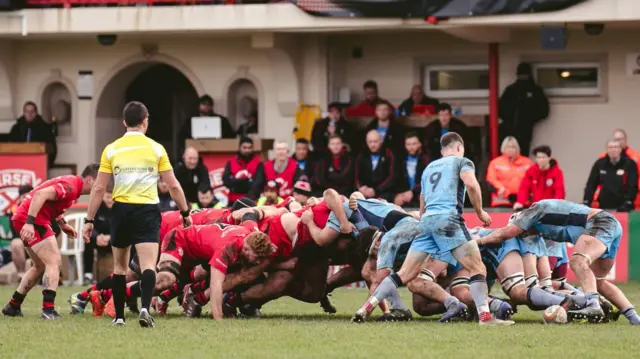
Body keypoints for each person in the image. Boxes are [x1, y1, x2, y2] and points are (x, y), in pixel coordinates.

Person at [352, 132, 514, 326]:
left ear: (442, 150)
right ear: (459, 147)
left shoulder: (429, 167)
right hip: (448, 220)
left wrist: (423, 219)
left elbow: (422, 197)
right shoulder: (461, 161)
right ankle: (485, 318)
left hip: (426, 221)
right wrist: (479, 211)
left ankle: (367, 307)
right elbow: (471, 183)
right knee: (477, 267)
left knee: (404, 274)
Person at [82, 101, 192, 328]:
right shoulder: (156, 148)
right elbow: (173, 185)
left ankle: (119, 317)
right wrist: (185, 212)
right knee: (149, 265)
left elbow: (99, 188)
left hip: (121, 210)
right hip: (147, 210)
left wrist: (89, 220)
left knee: (119, 268)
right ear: (145, 121)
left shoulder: (111, 149)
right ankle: (144, 308)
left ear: (124, 123)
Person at [477, 199, 640, 325]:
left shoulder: (533, 212)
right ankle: (634, 318)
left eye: (522, 231)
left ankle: (593, 305)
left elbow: (505, 233)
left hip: (600, 222)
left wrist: (480, 241)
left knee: (577, 261)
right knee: (599, 282)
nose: (523, 234)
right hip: (609, 224)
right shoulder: (543, 227)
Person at [2, 164, 99, 319]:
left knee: (38, 266)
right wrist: (30, 223)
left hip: (29, 219)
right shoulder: (71, 186)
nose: (101, 188)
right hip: (33, 221)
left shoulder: (73, 186)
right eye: (99, 183)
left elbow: (52, 203)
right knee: (54, 262)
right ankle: (48, 310)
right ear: (89, 180)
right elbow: (40, 195)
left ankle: (13, 305)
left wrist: (62, 224)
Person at [499, 62, 549, 156]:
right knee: (508, 156)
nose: (523, 77)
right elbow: (500, 109)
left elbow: (544, 111)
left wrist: (529, 119)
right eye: (521, 74)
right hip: (509, 131)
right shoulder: (511, 90)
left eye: (524, 74)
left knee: (523, 156)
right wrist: (509, 119)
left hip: (525, 131)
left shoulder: (535, 90)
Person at [585, 139, 639, 211]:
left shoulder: (629, 163)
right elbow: (591, 184)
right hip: (604, 205)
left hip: (623, 207)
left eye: (616, 147)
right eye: (610, 147)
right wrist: (587, 200)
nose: (613, 150)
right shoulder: (600, 163)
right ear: (607, 149)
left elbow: (632, 185)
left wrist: (629, 201)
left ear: (620, 149)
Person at [486, 136, 533, 207]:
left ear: (517, 148)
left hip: (523, 202)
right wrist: (503, 190)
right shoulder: (495, 163)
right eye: (508, 147)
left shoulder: (527, 162)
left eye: (513, 147)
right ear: (503, 148)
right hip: (502, 202)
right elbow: (491, 180)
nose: (510, 149)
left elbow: (533, 179)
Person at [514, 145, 565, 210]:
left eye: (543, 157)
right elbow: (524, 188)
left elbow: (559, 190)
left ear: (549, 158)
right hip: (535, 207)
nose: (541, 160)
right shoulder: (531, 171)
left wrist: (556, 205)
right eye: (538, 157)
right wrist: (520, 202)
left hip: (551, 208)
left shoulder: (557, 172)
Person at [8, 101, 57, 167]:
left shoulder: (45, 128)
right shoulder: (16, 129)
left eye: (32, 111)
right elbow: (10, 146)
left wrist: (47, 165)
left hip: (39, 165)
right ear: (24, 113)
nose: (29, 114)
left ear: (36, 113)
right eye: (27, 111)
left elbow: (52, 148)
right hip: (19, 165)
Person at [355, 130, 398, 202]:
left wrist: (376, 190)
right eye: (370, 142)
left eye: (375, 142)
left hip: (384, 192)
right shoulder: (362, 155)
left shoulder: (389, 154)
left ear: (381, 141)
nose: (373, 145)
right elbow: (356, 176)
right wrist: (361, 188)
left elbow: (392, 177)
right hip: (365, 193)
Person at [222, 137, 265, 205]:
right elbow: (226, 181)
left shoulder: (258, 164)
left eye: (249, 148)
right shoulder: (231, 162)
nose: (247, 150)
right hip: (233, 202)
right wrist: (247, 182)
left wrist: (235, 184)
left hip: (251, 202)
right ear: (239, 147)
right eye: (244, 148)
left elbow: (258, 184)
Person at [84, 191, 115, 284]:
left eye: (112, 197)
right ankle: (88, 274)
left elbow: (124, 227)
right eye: (107, 197)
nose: (110, 200)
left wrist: (110, 237)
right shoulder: (97, 207)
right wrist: (97, 237)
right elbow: (90, 225)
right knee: (87, 240)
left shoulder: (120, 208)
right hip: (99, 239)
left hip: (114, 238)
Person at [395, 132, 430, 207]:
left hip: (421, 195)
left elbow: (428, 181)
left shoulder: (426, 159)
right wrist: (400, 194)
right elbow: (396, 179)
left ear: (420, 144)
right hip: (405, 195)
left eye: (414, 144)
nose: (411, 147)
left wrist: (413, 192)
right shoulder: (401, 160)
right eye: (408, 144)